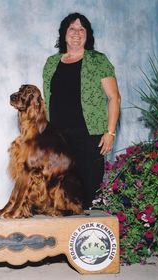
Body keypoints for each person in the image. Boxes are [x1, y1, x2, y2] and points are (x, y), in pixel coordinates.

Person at [43, 12, 121, 209]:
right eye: (72, 29)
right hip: (57, 139)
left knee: (87, 192)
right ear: (64, 33)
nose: (76, 33)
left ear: (88, 34)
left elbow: (114, 97)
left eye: (81, 29)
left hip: (89, 137)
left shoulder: (98, 60)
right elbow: (46, 100)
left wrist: (110, 132)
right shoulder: (51, 63)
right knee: (57, 193)